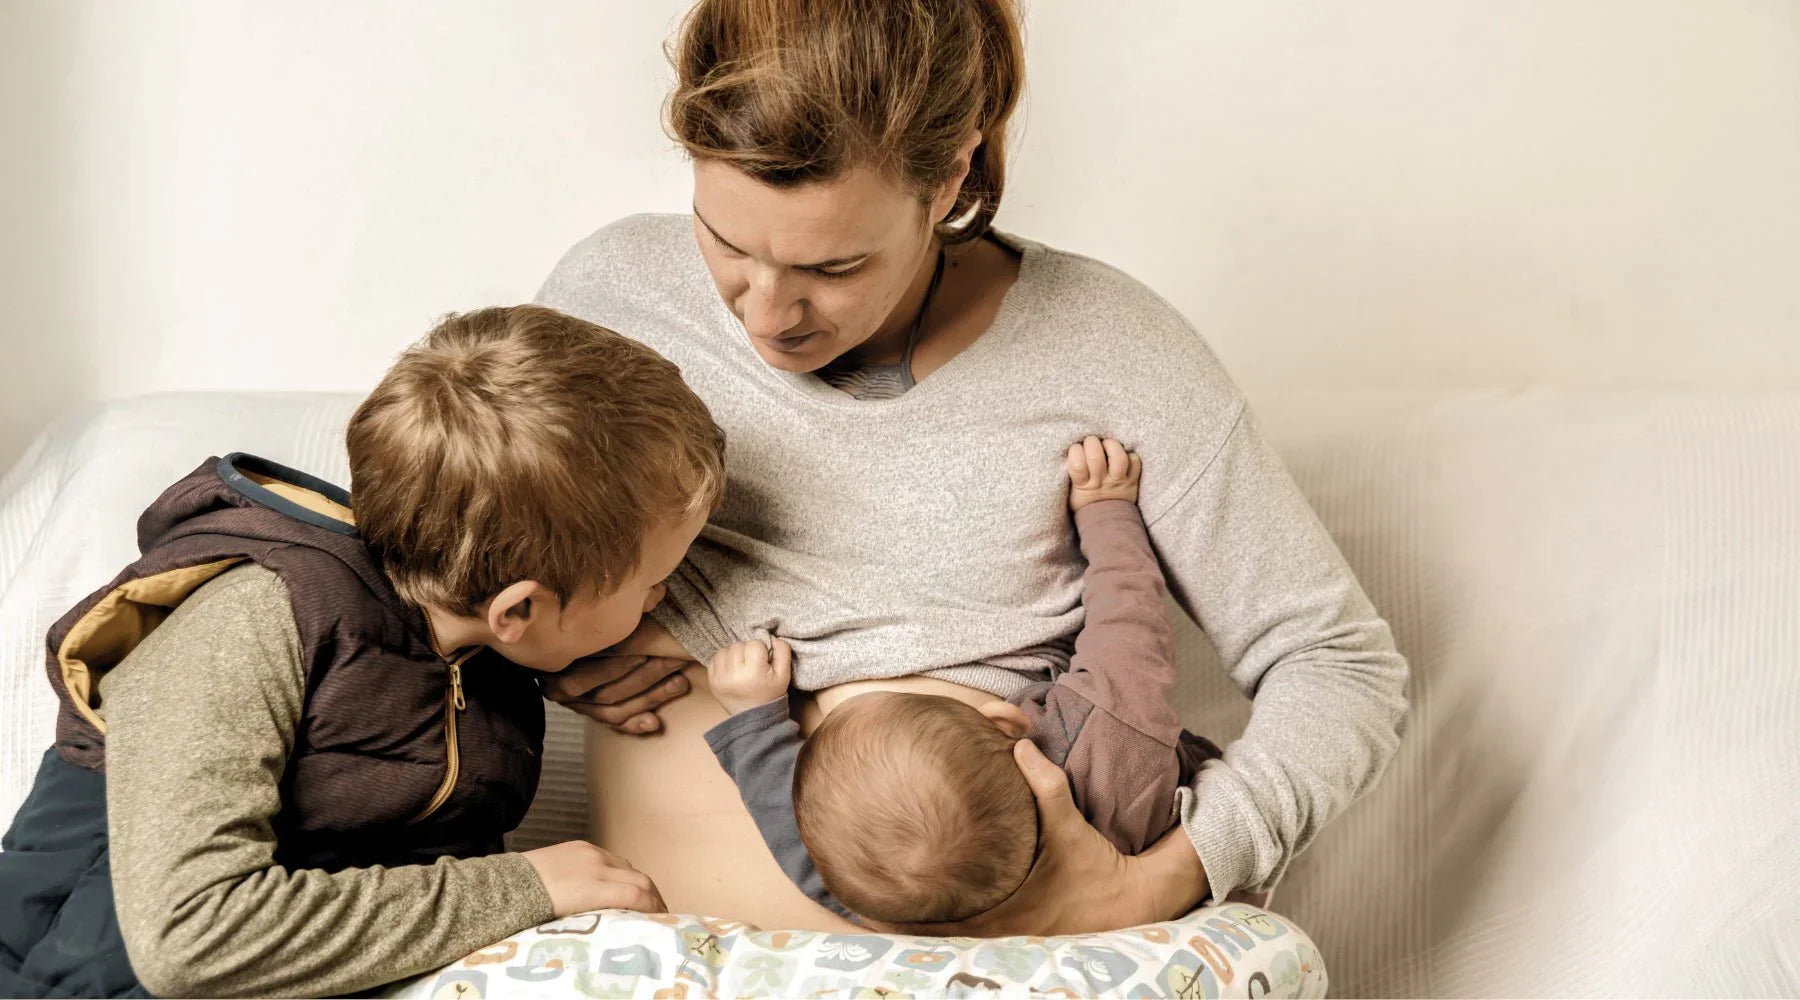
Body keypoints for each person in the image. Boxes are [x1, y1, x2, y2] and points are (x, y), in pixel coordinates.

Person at [538, 0, 1409, 934]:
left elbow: (1339, 666)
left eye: (834, 268)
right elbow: (439, 570)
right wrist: (543, 653)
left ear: (949, 177)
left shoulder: (1114, 348)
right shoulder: (610, 298)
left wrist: (1162, 882)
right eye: (727, 243)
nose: (766, 313)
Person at [0, 306, 721, 997]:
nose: (660, 602)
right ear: (519, 608)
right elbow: (190, 938)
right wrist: (527, 886)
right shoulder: (252, 619)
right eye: (654, 582)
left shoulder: (481, 655)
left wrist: (554, 665)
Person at [701, 436, 1226, 927]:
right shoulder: (1107, 734)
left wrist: (755, 714)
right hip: (1160, 845)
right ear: (1005, 721)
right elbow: (1130, 620)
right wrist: (1107, 510)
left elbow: (782, 811)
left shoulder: (873, 891)